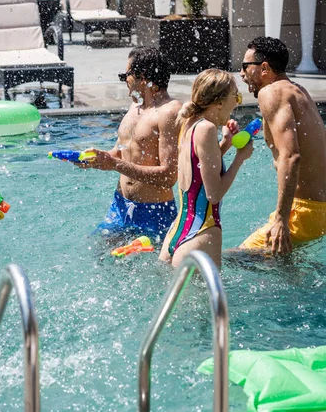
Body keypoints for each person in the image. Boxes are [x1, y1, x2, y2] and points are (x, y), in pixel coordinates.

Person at [79, 47, 182, 240]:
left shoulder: (169, 112)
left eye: (125, 75)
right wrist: (97, 159)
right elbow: (121, 152)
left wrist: (115, 165)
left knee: (152, 269)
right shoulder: (135, 107)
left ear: (142, 77)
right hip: (119, 206)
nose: (124, 80)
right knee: (101, 258)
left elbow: (169, 176)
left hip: (154, 212)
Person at [239, 37, 326, 255]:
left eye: (245, 67)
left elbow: (291, 157)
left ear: (264, 68)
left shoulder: (271, 92)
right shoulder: (298, 90)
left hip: (304, 211)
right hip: (318, 210)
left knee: (235, 258)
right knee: (278, 258)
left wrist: (280, 218)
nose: (241, 74)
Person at [159, 69, 253, 268]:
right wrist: (240, 158)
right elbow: (214, 194)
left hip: (177, 233)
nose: (238, 102)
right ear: (219, 102)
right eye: (236, 96)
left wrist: (226, 143)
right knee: (213, 300)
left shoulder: (189, 124)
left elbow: (199, 171)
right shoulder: (207, 129)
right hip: (202, 232)